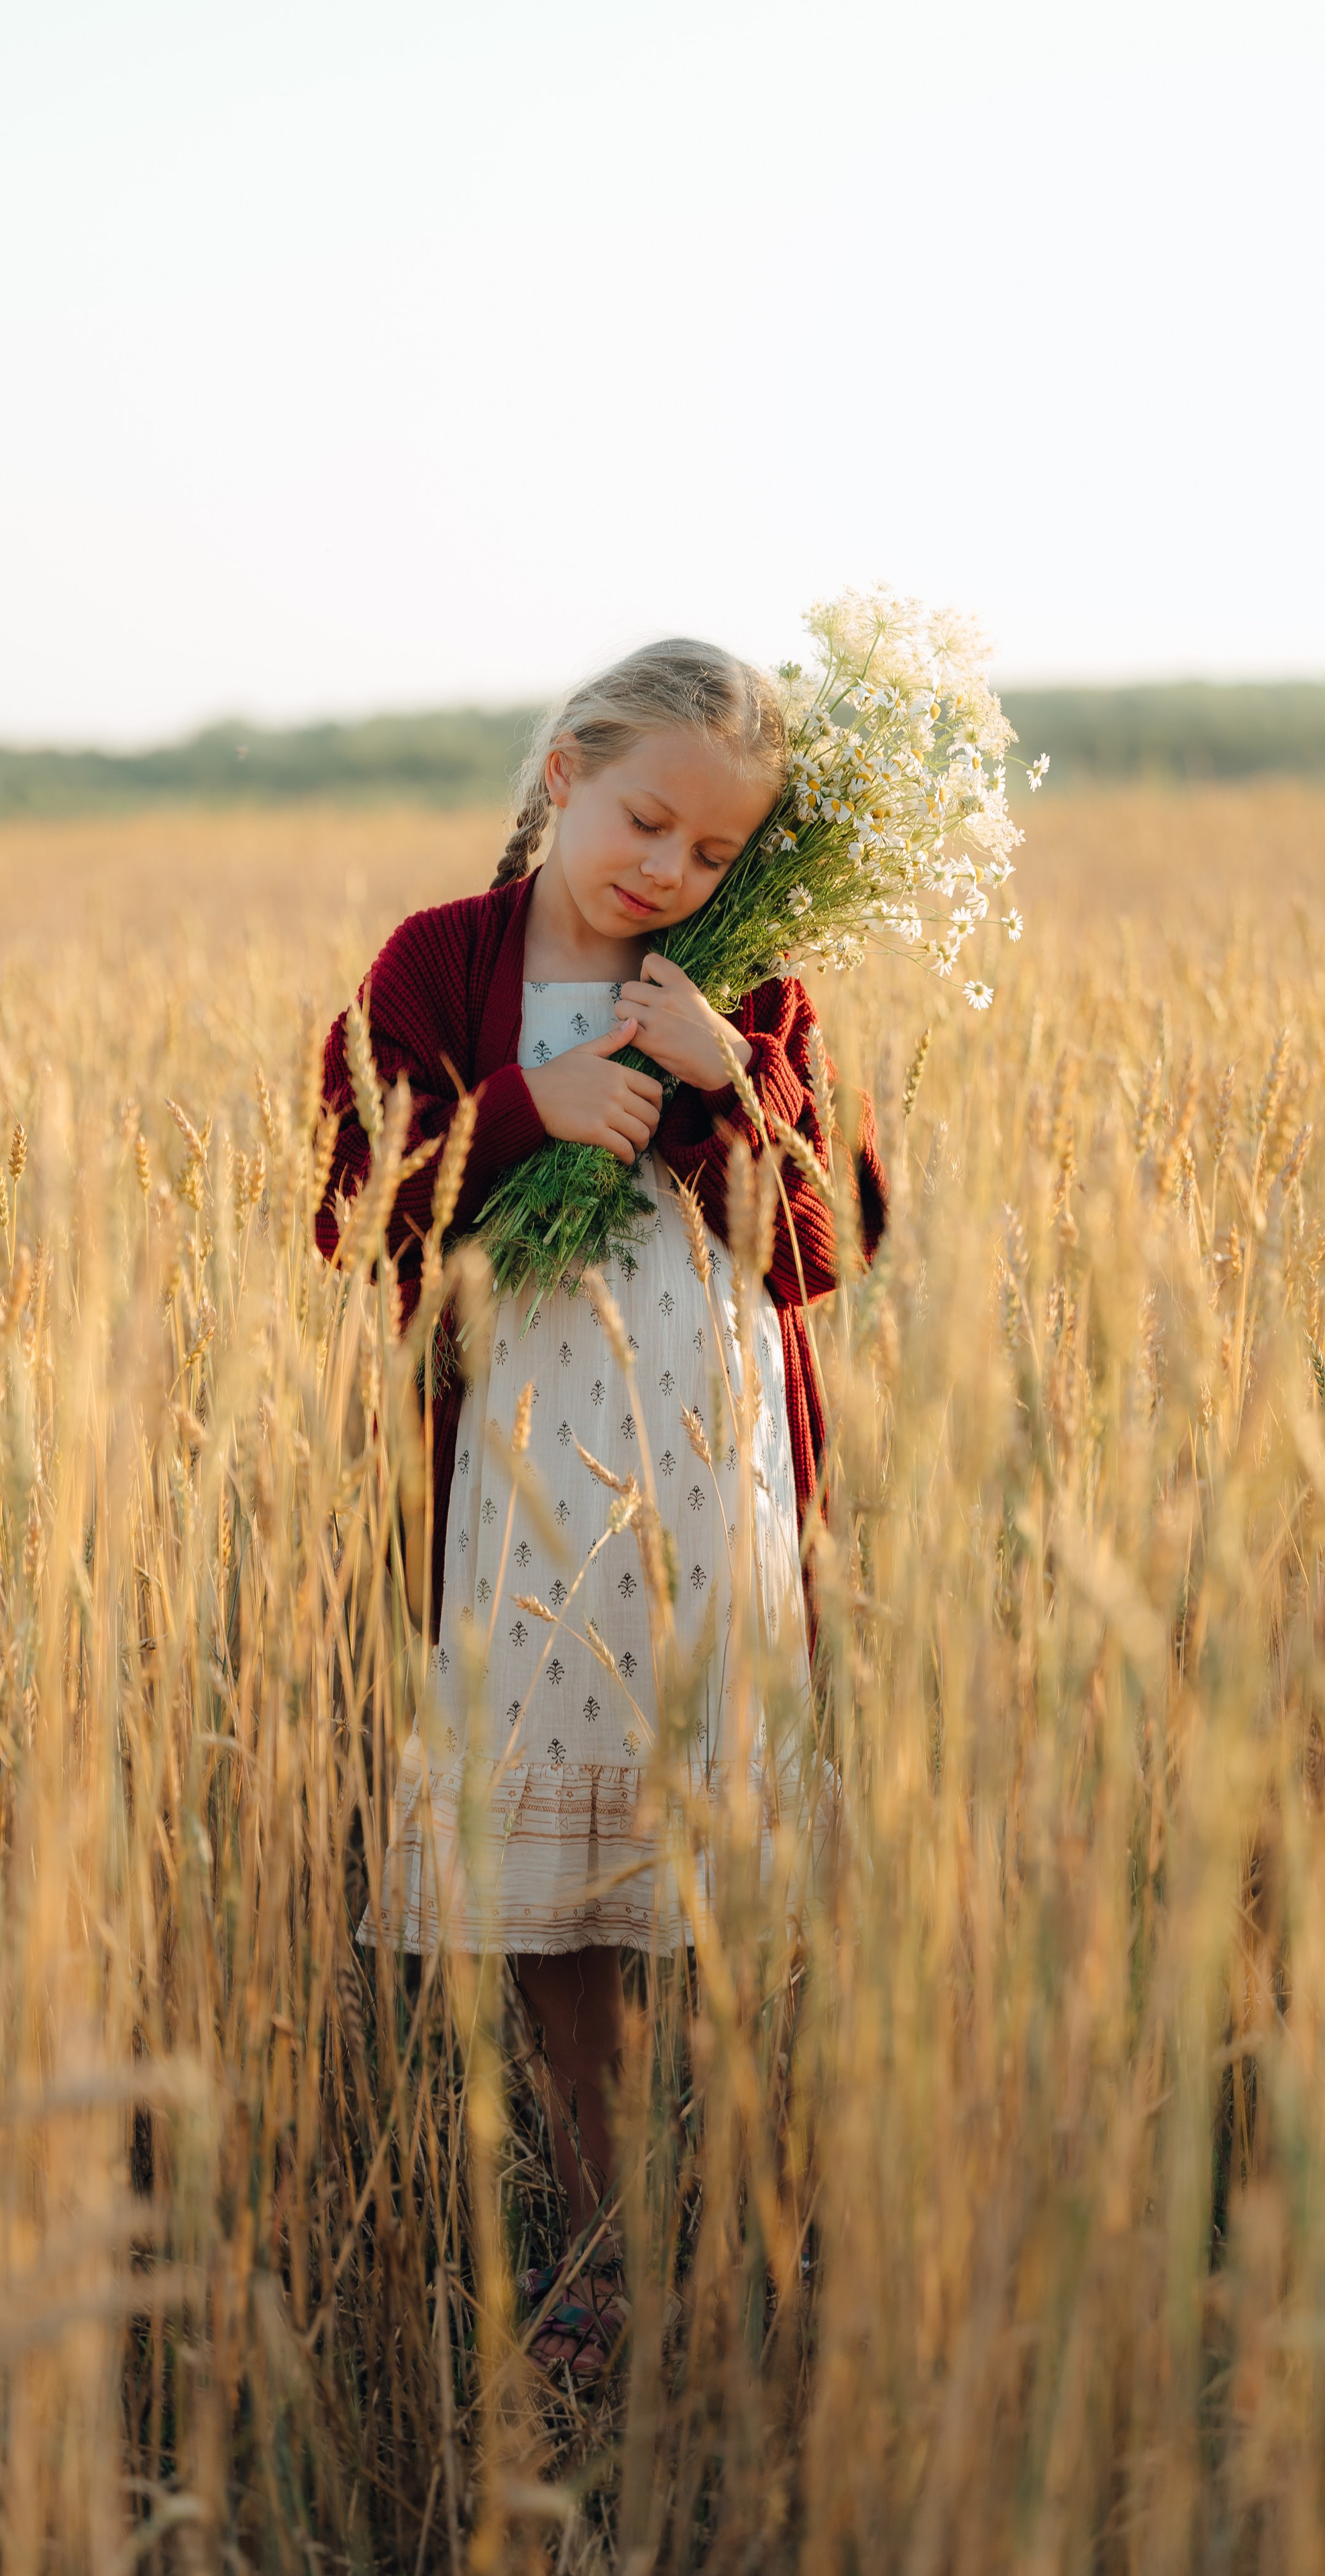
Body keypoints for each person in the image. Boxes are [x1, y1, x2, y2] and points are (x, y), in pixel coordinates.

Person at [315, 639, 884, 2379]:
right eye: (647, 821)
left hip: (714, 1460)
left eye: (714, 854)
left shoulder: (750, 985)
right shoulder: (443, 961)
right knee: (555, 1881)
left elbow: (829, 1245)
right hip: (519, 1471)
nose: (670, 871)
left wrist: (730, 1081)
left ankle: (760, 2232)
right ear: (566, 772)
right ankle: (621, 2235)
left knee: (709, 1853)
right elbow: (353, 1211)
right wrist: (518, 1110)